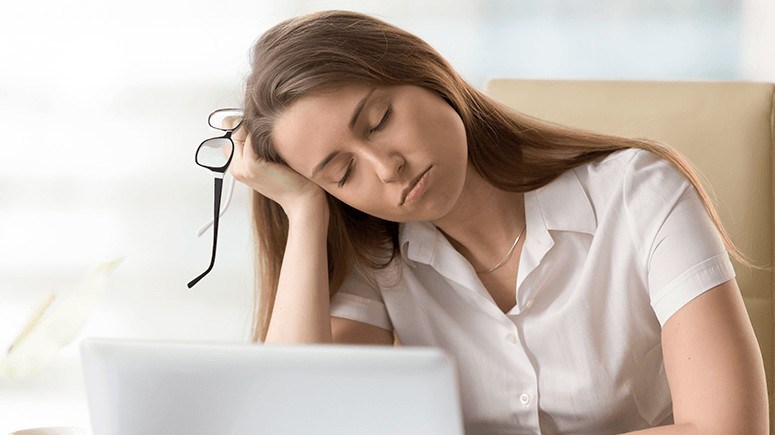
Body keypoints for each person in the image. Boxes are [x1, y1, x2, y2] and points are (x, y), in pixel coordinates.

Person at [226, 10, 768, 434]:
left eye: (379, 120)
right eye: (343, 174)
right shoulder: (378, 255)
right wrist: (304, 212)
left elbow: (729, 429)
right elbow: (292, 414)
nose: (387, 168)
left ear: (425, 72)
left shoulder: (640, 193)